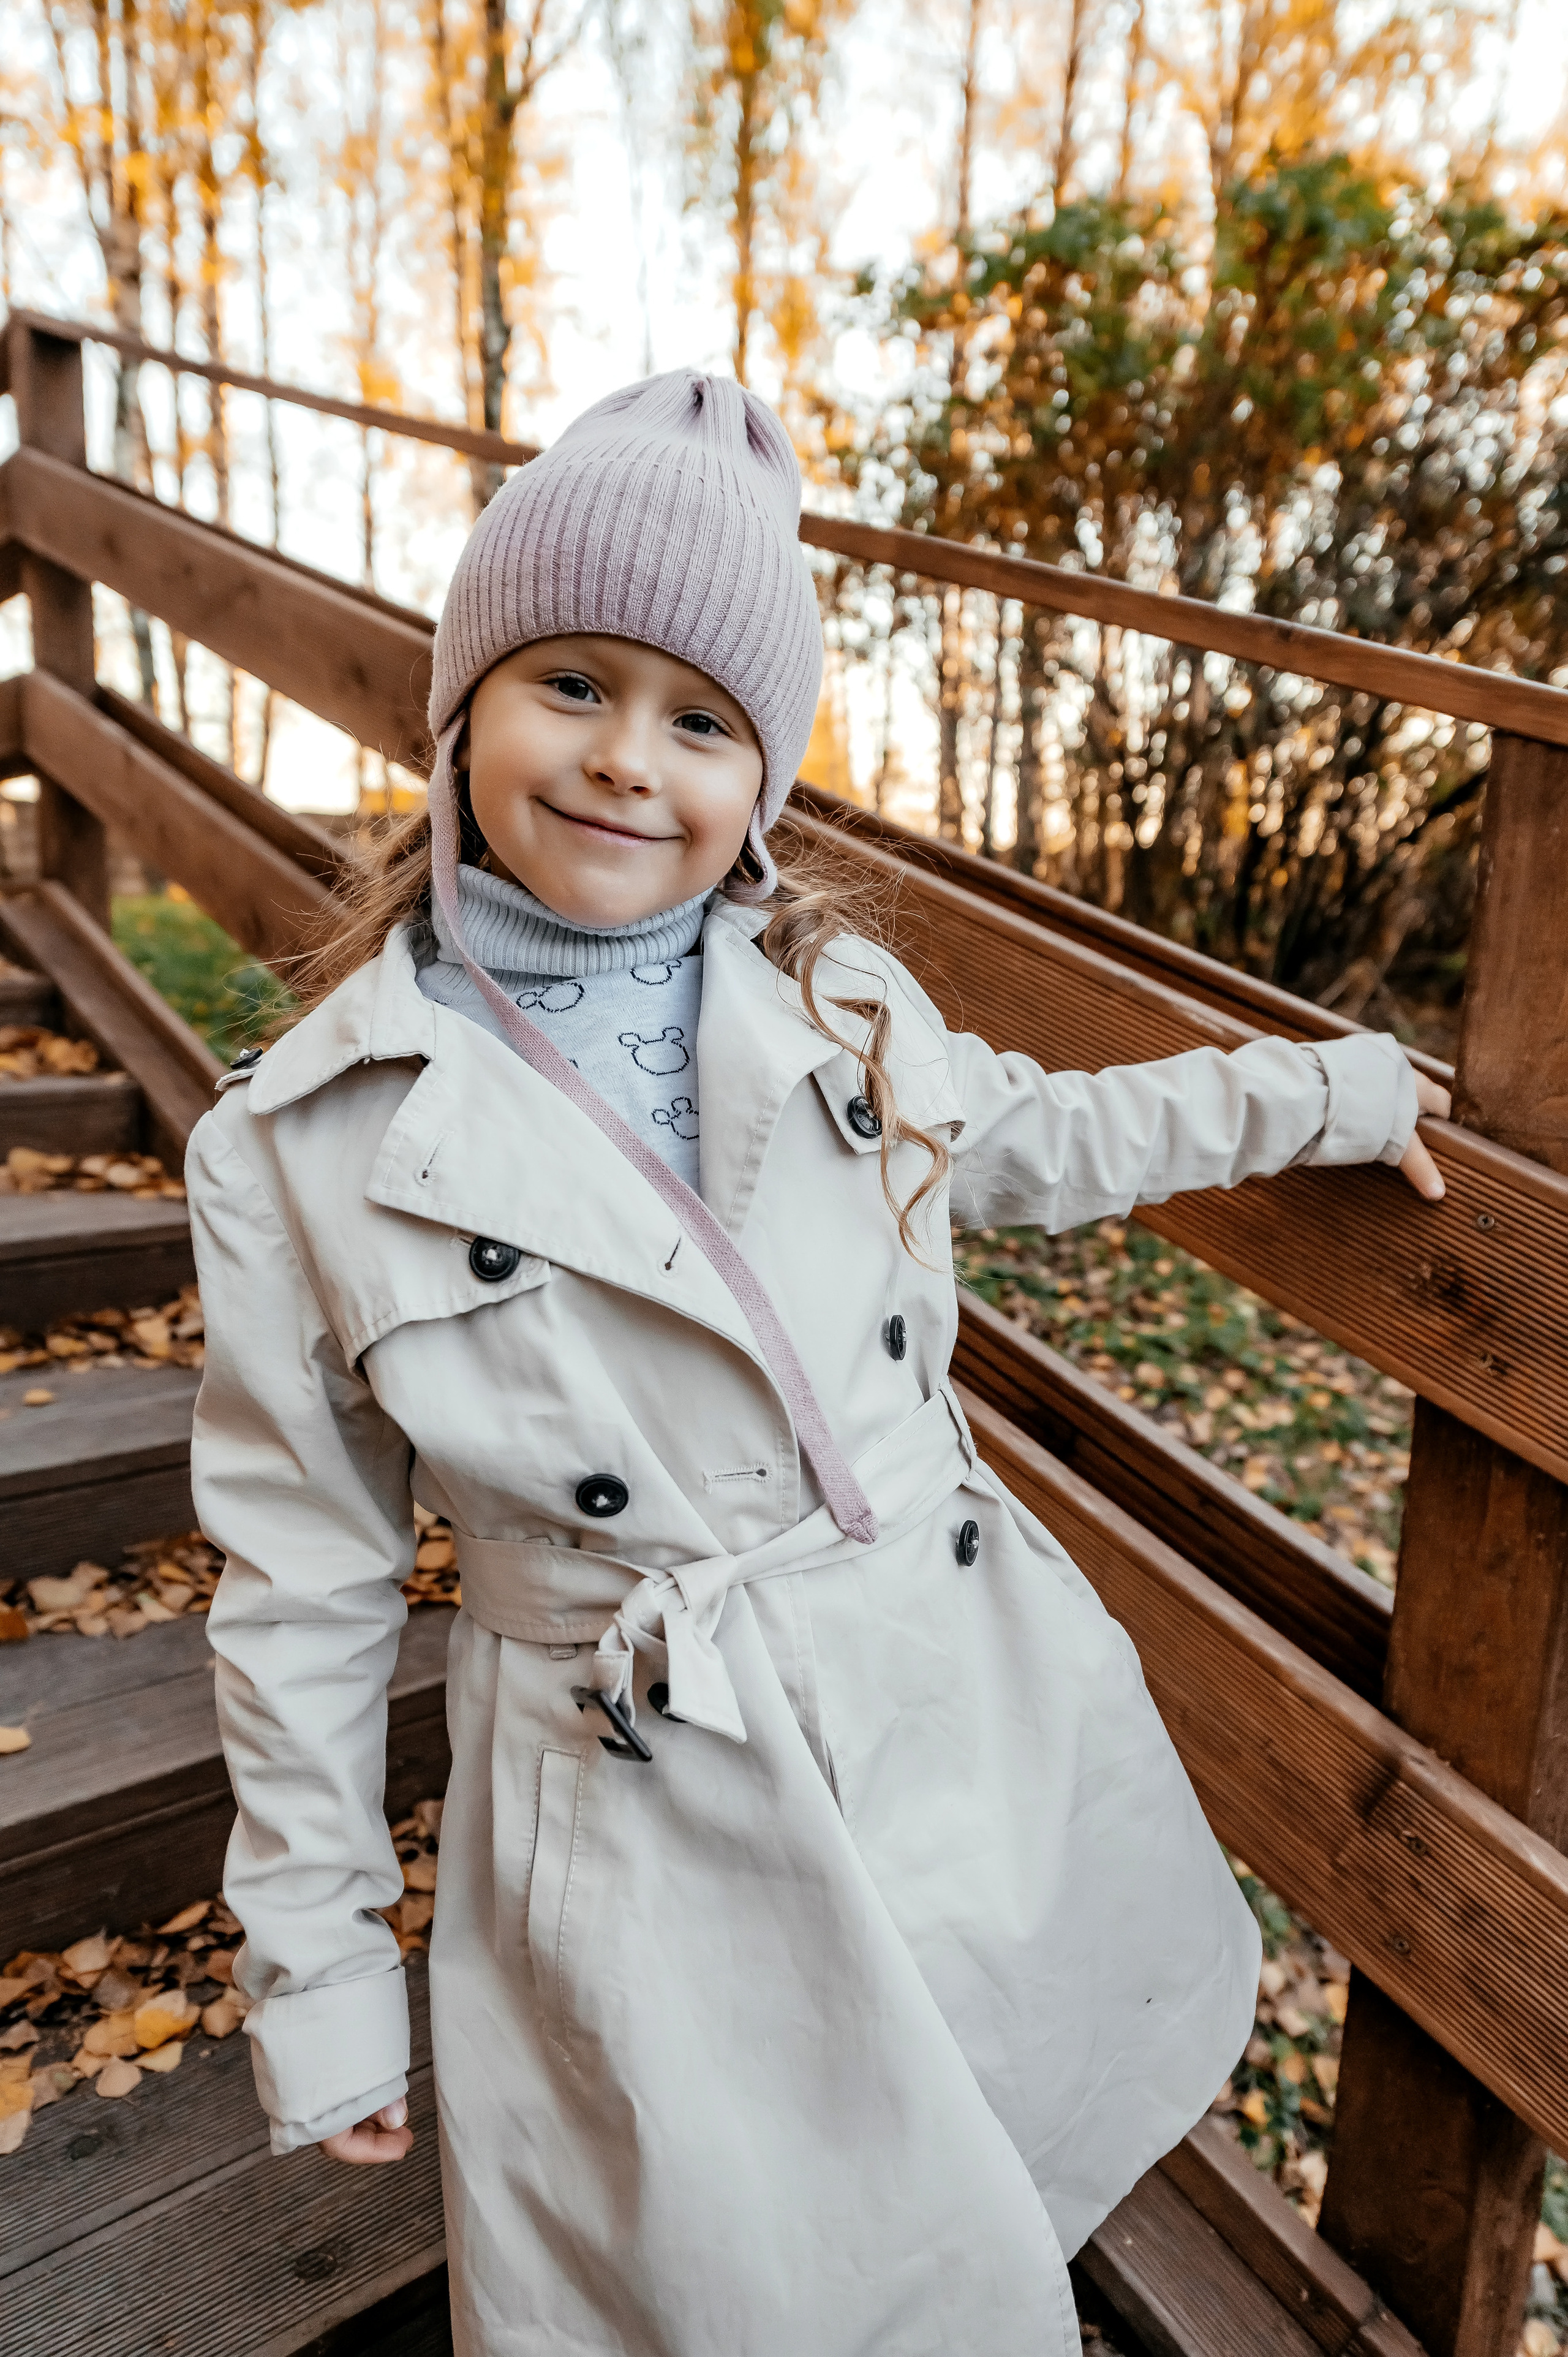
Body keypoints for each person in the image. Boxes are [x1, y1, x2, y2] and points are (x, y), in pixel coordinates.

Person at [186, 370, 1450, 2357]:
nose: (629, 762)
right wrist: (322, 1976)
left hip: (936, 1699)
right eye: (570, 683)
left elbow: (1037, 1137)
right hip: (646, 1781)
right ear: (460, 711)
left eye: (704, 720)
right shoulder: (302, 1140)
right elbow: (304, 1585)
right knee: (741, 2265)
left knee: (969, 2169)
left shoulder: (836, 1000)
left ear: (763, 779)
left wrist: (1321, 1093)